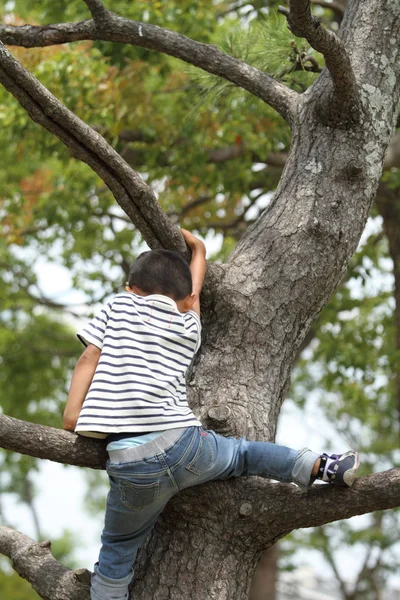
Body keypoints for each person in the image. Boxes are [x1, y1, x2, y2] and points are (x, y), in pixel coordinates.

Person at [63, 228, 360, 600]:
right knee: (243, 453)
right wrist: (199, 250)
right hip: (186, 446)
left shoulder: (118, 306)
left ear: (130, 288)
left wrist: (73, 414)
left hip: (132, 463)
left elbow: (89, 357)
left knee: (117, 551)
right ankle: (322, 466)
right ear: (185, 300)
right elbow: (193, 294)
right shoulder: (188, 325)